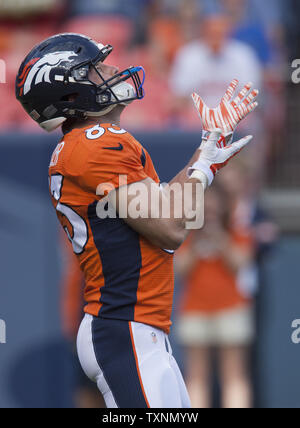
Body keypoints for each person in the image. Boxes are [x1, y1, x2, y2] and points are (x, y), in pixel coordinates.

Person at [15, 32, 258, 408]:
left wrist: (205, 151)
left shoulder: (90, 144)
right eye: (94, 68)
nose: (111, 69)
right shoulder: (97, 143)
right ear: (69, 93)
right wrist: (204, 169)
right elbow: (172, 230)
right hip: (125, 327)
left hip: (135, 328)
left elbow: (167, 208)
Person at [175, 185, 255, 408]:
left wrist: (220, 238)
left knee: (234, 375)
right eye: (205, 202)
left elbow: (241, 264)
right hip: (195, 309)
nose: (210, 207)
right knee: (197, 376)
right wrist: (198, 243)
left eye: (214, 202)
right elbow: (180, 269)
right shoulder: (187, 232)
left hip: (231, 307)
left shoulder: (236, 229)